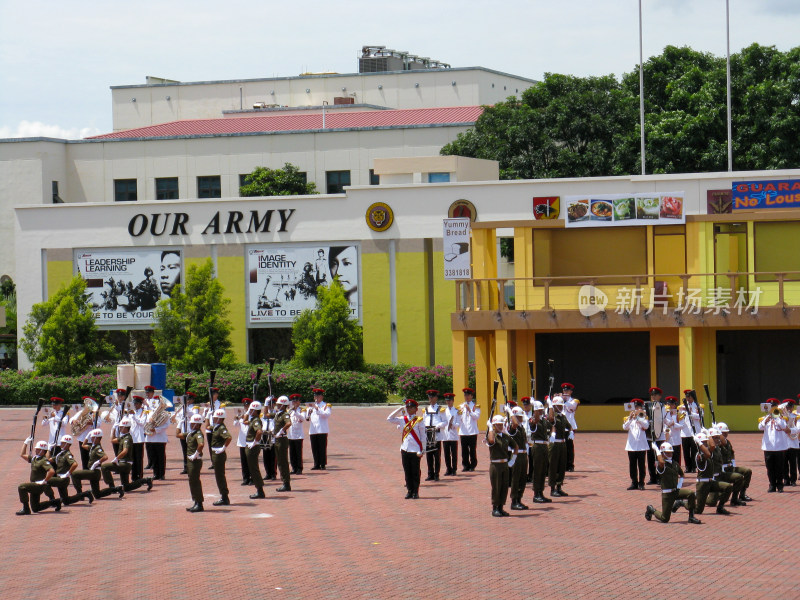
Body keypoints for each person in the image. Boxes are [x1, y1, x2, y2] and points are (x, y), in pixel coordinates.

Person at [645, 442, 701, 524]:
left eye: (671, 452)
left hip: (676, 491)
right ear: (662, 453)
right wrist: (656, 449)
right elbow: (661, 462)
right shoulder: (661, 465)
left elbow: (682, 474)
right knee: (665, 519)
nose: (670, 454)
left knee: (691, 494)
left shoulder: (675, 464)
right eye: (667, 452)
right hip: (667, 494)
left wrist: (679, 485)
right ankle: (651, 510)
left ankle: (691, 516)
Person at [387, 399, 426, 499]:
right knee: (407, 471)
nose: (409, 409)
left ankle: (415, 492)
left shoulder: (419, 420)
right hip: (405, 449)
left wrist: (423, 449)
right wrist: (400, 409)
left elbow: (423, 436)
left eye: (411, 407)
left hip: (415, 449)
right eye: (407, 407)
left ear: (416, 409)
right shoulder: (402, 419)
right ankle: (409, 490)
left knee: (415, 471)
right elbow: (389, 419)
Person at [103, 417, 153, 493]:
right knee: (126, 487)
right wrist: (113, 429)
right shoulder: (123, 437)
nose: (119, 429)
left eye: (120, 427)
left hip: (125, 463)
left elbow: (125, 450)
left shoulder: (127, 438)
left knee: (105, 467)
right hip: (123, 463)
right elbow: (112, 440)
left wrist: (117, 458)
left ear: (125, 428)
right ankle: (145, 481)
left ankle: (112, 488)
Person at [71, 429, 124, 500]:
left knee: (74, 474)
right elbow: (83, 445)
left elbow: (105, 457)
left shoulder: (98, 448)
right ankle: (115, 489)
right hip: (93, 472)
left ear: (97, 438)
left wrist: (97, 463)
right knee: (97, 494)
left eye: (92, 437)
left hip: (94, 472)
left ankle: (80, 494)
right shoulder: (93, 447)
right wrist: (87, 435)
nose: (91, 439)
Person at [692, 429, 733, 516]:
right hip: (702, 484)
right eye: (704, 443)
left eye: (706, 442)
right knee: (698, 510)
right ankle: (682, 503)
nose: (706, 444)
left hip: (711, 482)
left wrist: (708, 434)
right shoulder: (699, 455)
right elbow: (708, 454)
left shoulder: (709, 451)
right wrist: (699, 442)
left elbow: (713, 446)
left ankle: (720, 507)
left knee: (728, 487)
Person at [486, 414, 518, 517]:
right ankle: (495, 508)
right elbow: (491, 441)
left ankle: (501, 507)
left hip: (504, 464)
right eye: (498, 425)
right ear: (494, 426)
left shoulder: (505, 436)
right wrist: (490, 428)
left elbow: (515, 446)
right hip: (495, 465)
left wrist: (513, 459)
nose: (500, 427)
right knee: (496, 487)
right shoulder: (492, 435)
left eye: (501, 424)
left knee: (504, 487)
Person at [17, 439, 61, 515]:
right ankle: (54, 502)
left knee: (21, 487)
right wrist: (25, 443)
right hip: (34, 485)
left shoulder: (43, 460)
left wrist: (45, 480)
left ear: (42, 450)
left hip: (39, 485)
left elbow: (51, 471)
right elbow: (22, 455)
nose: (35, 450)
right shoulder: (35, 458)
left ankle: (26, 508)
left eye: (37, 449)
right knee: (35, 508)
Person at [46, 434, 93, 505]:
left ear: (67, 444)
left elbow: (75, 464)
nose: (61, 445)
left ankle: (52, 500)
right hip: (59, 477)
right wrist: (49, 450)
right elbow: (49, 460)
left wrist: (68, 473)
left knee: (46, 481)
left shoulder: (67, 454)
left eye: (62, 443)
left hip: (63, 479)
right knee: (66, 501)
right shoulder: (60, 454)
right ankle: (85, 494)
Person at [759, 398, 789, 493]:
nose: (772, 409)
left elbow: (784, 427)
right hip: (768, 447)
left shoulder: (781, 419)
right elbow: (760, 427)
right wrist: (767, 419)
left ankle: (780, 485)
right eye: (771, 407)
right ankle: (772, 485)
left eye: (774, 407)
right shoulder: (765, 418)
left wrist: (776, 416)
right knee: (770, 467)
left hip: (779, 447)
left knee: (779, 467)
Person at [717, 423, 753, 503]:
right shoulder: (717, 444)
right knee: (738, 477)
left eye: (726, 432)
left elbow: (732, 454)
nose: (726, 434)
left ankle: (742, 494)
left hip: (730, 467)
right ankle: (734, 498)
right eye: (723, 433)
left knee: (747, 471)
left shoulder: (728, 442)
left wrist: (734, 465)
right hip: (723, 469)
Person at [177, 413, 205, 512]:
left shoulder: (198, 434)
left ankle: (199, 503)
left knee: (195, 481)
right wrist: (179, 425)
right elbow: (178, 435)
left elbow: (201, 444)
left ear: (197, 424)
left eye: (193, 423)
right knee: (192, 481)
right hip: (190, 461)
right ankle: (196, 502)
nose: (191, 424)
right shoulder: (191, 433)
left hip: (195, 461)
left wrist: (196, 453)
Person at [528, 400, 552, 503]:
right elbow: (535, 420)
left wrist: (550, 405)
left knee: (543, 470)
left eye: (541, 409)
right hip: (537, 445)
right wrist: (535, 407)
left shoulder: (544, 420)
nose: (541, 410)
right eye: (539, 409)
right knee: (537, 470)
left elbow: (552, 420)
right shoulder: (533, 419)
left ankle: (541, 492)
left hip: (544, 445)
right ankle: (536, 494)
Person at [548, 395, 571, 497]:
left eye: (561, 405)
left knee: (562, 465)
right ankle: (553, 488)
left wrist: (570, 431)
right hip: (555, 443)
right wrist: (550, 407)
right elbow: (551, 419)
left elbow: (568, 425)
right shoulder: (553, 416)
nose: (561, 407)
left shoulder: (562, 416)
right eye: (559, 405)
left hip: (562, 443)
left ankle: (559, 486)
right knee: (553, 466)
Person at [624, 399, 649, 490]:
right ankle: (634, 482)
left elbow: (646, 426)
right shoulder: (628, 418)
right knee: (632, 465)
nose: (636, 409)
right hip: (631, 446)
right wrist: (630, 418)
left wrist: (638, 417)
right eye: (635, 407)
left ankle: (641, 483)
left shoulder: (643, 418)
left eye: (638, 407)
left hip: (641, 446)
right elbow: (624, 427)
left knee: (641, 465)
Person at [171, 392, 199, 475]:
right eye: (187, 399)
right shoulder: (181, 408)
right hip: (183, 431)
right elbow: (177, 418)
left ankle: (193, 466)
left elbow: (193, 415)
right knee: (184, 450)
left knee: (191, 449)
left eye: (189, 399)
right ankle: (186, 467)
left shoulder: (194, 407)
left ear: (192, 399)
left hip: (190, 431)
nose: (188, 401)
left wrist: (185, 407)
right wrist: (173, 418)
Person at [209, 408, 232, 506]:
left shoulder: (221, 428)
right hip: (216, 453)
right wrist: (207, 417)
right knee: (218, 476)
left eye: (215, 417)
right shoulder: (216, 427)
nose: (213, 419)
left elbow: (229, 437)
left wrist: (223, 447)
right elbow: (207, 427)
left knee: (220, 476)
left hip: (219, 454)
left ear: (219, 418)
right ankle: (223, 496)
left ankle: (224, 497)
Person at [507, 406, 529, 510]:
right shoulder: (513, 428)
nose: (521, 418)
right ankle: (514, 500)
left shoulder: (521, 427)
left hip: (523, 455)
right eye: (518, 417)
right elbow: (514, 423)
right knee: (516, 478)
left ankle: (519, 499)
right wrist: (511, 412)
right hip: (517, 455)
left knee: (522, 478)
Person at [243, 400, 266, 499]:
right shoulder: (253, 419)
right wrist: (247, 413)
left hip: (252, 447)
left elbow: (259, 432)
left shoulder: (256, 421)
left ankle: (260, 490)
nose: (250, 411)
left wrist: (255, 442)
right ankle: (259, 489)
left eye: (252, 410)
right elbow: (244, 421)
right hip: (250, 446)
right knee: (253, 468)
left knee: (254, 469)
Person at [144, 395, 170, 481]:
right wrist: (150, 422)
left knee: (161, 457)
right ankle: (155, 474)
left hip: (160, 438)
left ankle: (161, 474)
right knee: (153, 456)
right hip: (150, 438)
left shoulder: (165, 414)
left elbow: (166, 425)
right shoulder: (150, 413)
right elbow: (146, 423)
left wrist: (156, 429)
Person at [305, 388, 331, 470]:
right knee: (314, 447)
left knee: (322, 447)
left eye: (318, 396)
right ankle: (316, 464)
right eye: (315, 396)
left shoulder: (325, 405)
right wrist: (308, 413)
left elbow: (326, 414)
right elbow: (307, 417)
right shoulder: (310, 406)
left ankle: (322, 464)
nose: (316, 397)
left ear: (322, 397)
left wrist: (317, 409)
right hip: (313, 429)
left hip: (322, 429)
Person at [422, 390, 445, 481]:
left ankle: (436, 474)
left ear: (436, 398)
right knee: (429, 455)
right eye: (429, 397)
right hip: (428, 434)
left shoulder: (440, 409)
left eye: (432, 397)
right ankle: (430, 474)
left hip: (437, 434)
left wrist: (438, 426)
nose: (430, 399)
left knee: (436, 455)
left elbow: (445, 421)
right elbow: (423, 421)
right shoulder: (426, 409)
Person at [69, 396, 96, 469]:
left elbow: (99, 423)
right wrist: (73, 421)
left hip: (91, 438)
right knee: (84, 456)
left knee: (92, 456)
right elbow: (72, 419)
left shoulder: (95, 414)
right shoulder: (81, 412)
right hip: (82, 437)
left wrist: (92, 423)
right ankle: (85, 470)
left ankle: (93, 471)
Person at [272, 395, 293, 492]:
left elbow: (289, 423)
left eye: (279, 404)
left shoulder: (284, 414)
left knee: (283, 462)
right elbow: (266, 415)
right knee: (280, 462)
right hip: (277, 439)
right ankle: (284, 482)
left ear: (283, 405)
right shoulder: (278, 414)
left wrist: (282, 430)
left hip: (282, 439)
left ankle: (286, 483)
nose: (277, 405)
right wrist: (267, 404)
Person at [645, 387, 665, 485]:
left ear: (659, 396)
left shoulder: (662, 406)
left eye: (655, 395)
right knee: (650, 457)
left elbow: (663, 418)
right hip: (649, 435)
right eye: (652, 395)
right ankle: (652, 477)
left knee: (659, 456)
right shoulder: (646, 405)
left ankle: (660, 477)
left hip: (659, 435)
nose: (653, 396)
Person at [458, 388, 480, 472]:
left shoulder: (475, 406)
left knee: (472, 449)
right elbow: (459, 417)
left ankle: (473, 465)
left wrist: (469, 410)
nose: (466, 397)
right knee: (464, 450)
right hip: (463, 431)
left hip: (472, 431)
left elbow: (476, 417)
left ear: (471, 396)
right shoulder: (461, 406)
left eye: (468, 395)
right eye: (465, 395)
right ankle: (465, 465)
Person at [680, 389, 702, 472]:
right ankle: (687, 467)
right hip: (685, 431)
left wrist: (690, 413)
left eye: (689, 397)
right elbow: (680, 418)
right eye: (687, 397)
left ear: (693, 397)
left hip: (694, 431)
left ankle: (694, 466)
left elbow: (700, 416)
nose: (688, 399)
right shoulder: (682, 407)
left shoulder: (697, 406)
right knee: (686, 451)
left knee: (694, 450)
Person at [234, 397, 253, 485]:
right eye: (245, 405)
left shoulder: (252, 416)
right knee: (244, 462)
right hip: (242, 441)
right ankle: (246, 478)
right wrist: (237, 417)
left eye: (248, 405)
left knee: (251, 461)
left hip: (250, 441)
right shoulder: (242, 416)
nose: (246, 407)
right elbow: (235, 425)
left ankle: (252, 478)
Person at [440, 392, 460, 476]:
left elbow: (459, 423)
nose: (449, 402)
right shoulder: (443, 411)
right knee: (446, 453)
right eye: (447, 401)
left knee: (454, 453)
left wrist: (453, 425)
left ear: (453, 401)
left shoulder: (456, 411)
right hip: (445, 435)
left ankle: (454, 469)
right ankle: (448, 469)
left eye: (450, 400)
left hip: (453, 434)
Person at [561, 383, 579, 472]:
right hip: (560, 425)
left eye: (567, 390)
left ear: (571, 391)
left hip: (570, 426)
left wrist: (565, 400)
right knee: (561, 446)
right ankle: (563, 464)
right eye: (564, 390)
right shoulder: (559, 400)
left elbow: (571, 408)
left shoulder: (574, 401)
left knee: (569, 446)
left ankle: (570, 465)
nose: (565, 392)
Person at [129, 396, 148, 480]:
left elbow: (142, 423)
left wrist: (133, 416)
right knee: (132, 458)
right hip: (132, 438)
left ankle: (139, 475)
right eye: (134, 403)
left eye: (137, 403)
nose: (135, 405)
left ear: (141, 404)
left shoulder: (144, 412)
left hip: (139, 438)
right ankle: (133, 475)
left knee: (139, 458)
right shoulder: (132, 413)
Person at [662, 397, 683, 468]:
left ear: (675, 405)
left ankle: (677, 470)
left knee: (676, 457)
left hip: (675, 438)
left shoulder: (678, 414)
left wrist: (673, 424)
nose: (670, 406)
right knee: (666, 456)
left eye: (672, 404)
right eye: (668, 404)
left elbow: (681, 425)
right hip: (666, 438)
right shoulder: (664, 414)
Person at [203, 388, 222, 471]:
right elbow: (204, 417)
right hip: (208, 427)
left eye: (214, 394)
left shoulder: (220, 404)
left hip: (216, 427)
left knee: (216, 445)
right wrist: (206, 410)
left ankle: (218, 461)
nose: (212, 396)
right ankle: (213, 462)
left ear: (217, 395)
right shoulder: (208, 404)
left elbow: (221, 415)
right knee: (210, 446)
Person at [287, 394, 305, 475]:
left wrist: (295, 412)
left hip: (298, 434)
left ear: (299, 402)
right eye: (293, 401)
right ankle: (294, 467)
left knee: (298, 452)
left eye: (296, 401)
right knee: (292, 453)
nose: (295, 402)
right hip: (291, 434)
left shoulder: (301, 410)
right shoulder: (289, 411)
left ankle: (299, 468)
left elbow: (303, 418)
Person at [261, 396, 278, 480]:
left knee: (273, 456)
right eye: (269, 404)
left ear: (274, 404)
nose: (270, 405)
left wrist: (265, 404)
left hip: (272, 435)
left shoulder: (276, 413)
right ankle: (268, 473)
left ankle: (273, 473)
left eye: (272, 404)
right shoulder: (263, 414)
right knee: (266, 456)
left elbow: (266, 414)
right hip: (265, 435)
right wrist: (266, 403)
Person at [784, 398, 799, 487]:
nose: (789, 408)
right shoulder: (781, 416)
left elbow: (798, 428)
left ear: (793, 407)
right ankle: (786, 479)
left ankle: (793, 480)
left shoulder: (796, 416)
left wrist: (790, 430)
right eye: (787, 407)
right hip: (784, 443)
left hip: (793, 442)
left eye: (790, 407)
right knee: (784, 463)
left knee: (793, 463)